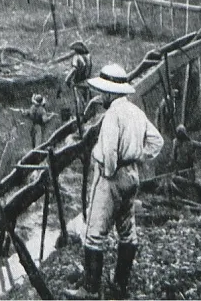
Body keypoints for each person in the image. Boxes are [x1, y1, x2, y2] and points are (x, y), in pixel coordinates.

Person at [64, 63, 164, 300]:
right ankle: (119, 284)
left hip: (111, 178)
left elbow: (109, 151)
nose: (101, 97)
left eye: (103, 92)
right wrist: (137, 157)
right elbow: (156, 142)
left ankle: (90, 289)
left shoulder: (112, 116)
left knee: (94, 233)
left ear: (110, 93)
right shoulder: (136, 112)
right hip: (131, 176)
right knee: (127, 231)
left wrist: (109, 172)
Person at [65, 41, 93, 110]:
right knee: (87, 99)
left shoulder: (76, 57)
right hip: (87, 80)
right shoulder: (88, 56)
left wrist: (67, 79)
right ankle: (88, 113)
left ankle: (81, 116)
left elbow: (74, 69)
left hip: (78, 81)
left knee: (79, 101)